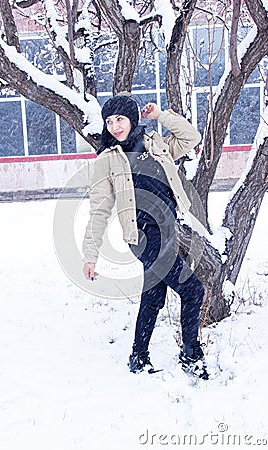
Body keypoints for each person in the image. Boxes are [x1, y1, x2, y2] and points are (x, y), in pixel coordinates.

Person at [82, 93, 209, 380]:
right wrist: (90, 255)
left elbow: (191, 137)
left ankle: (138, 357)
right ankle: (191, 356)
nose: (114, 126)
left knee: (153, 294)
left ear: (133, 119)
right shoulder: (107, 160)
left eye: (120, 119)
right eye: (109, 121)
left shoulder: (155, 144)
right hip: (142, 235)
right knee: (193, 290)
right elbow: (99, 211)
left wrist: (161, 116)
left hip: (168, 229)